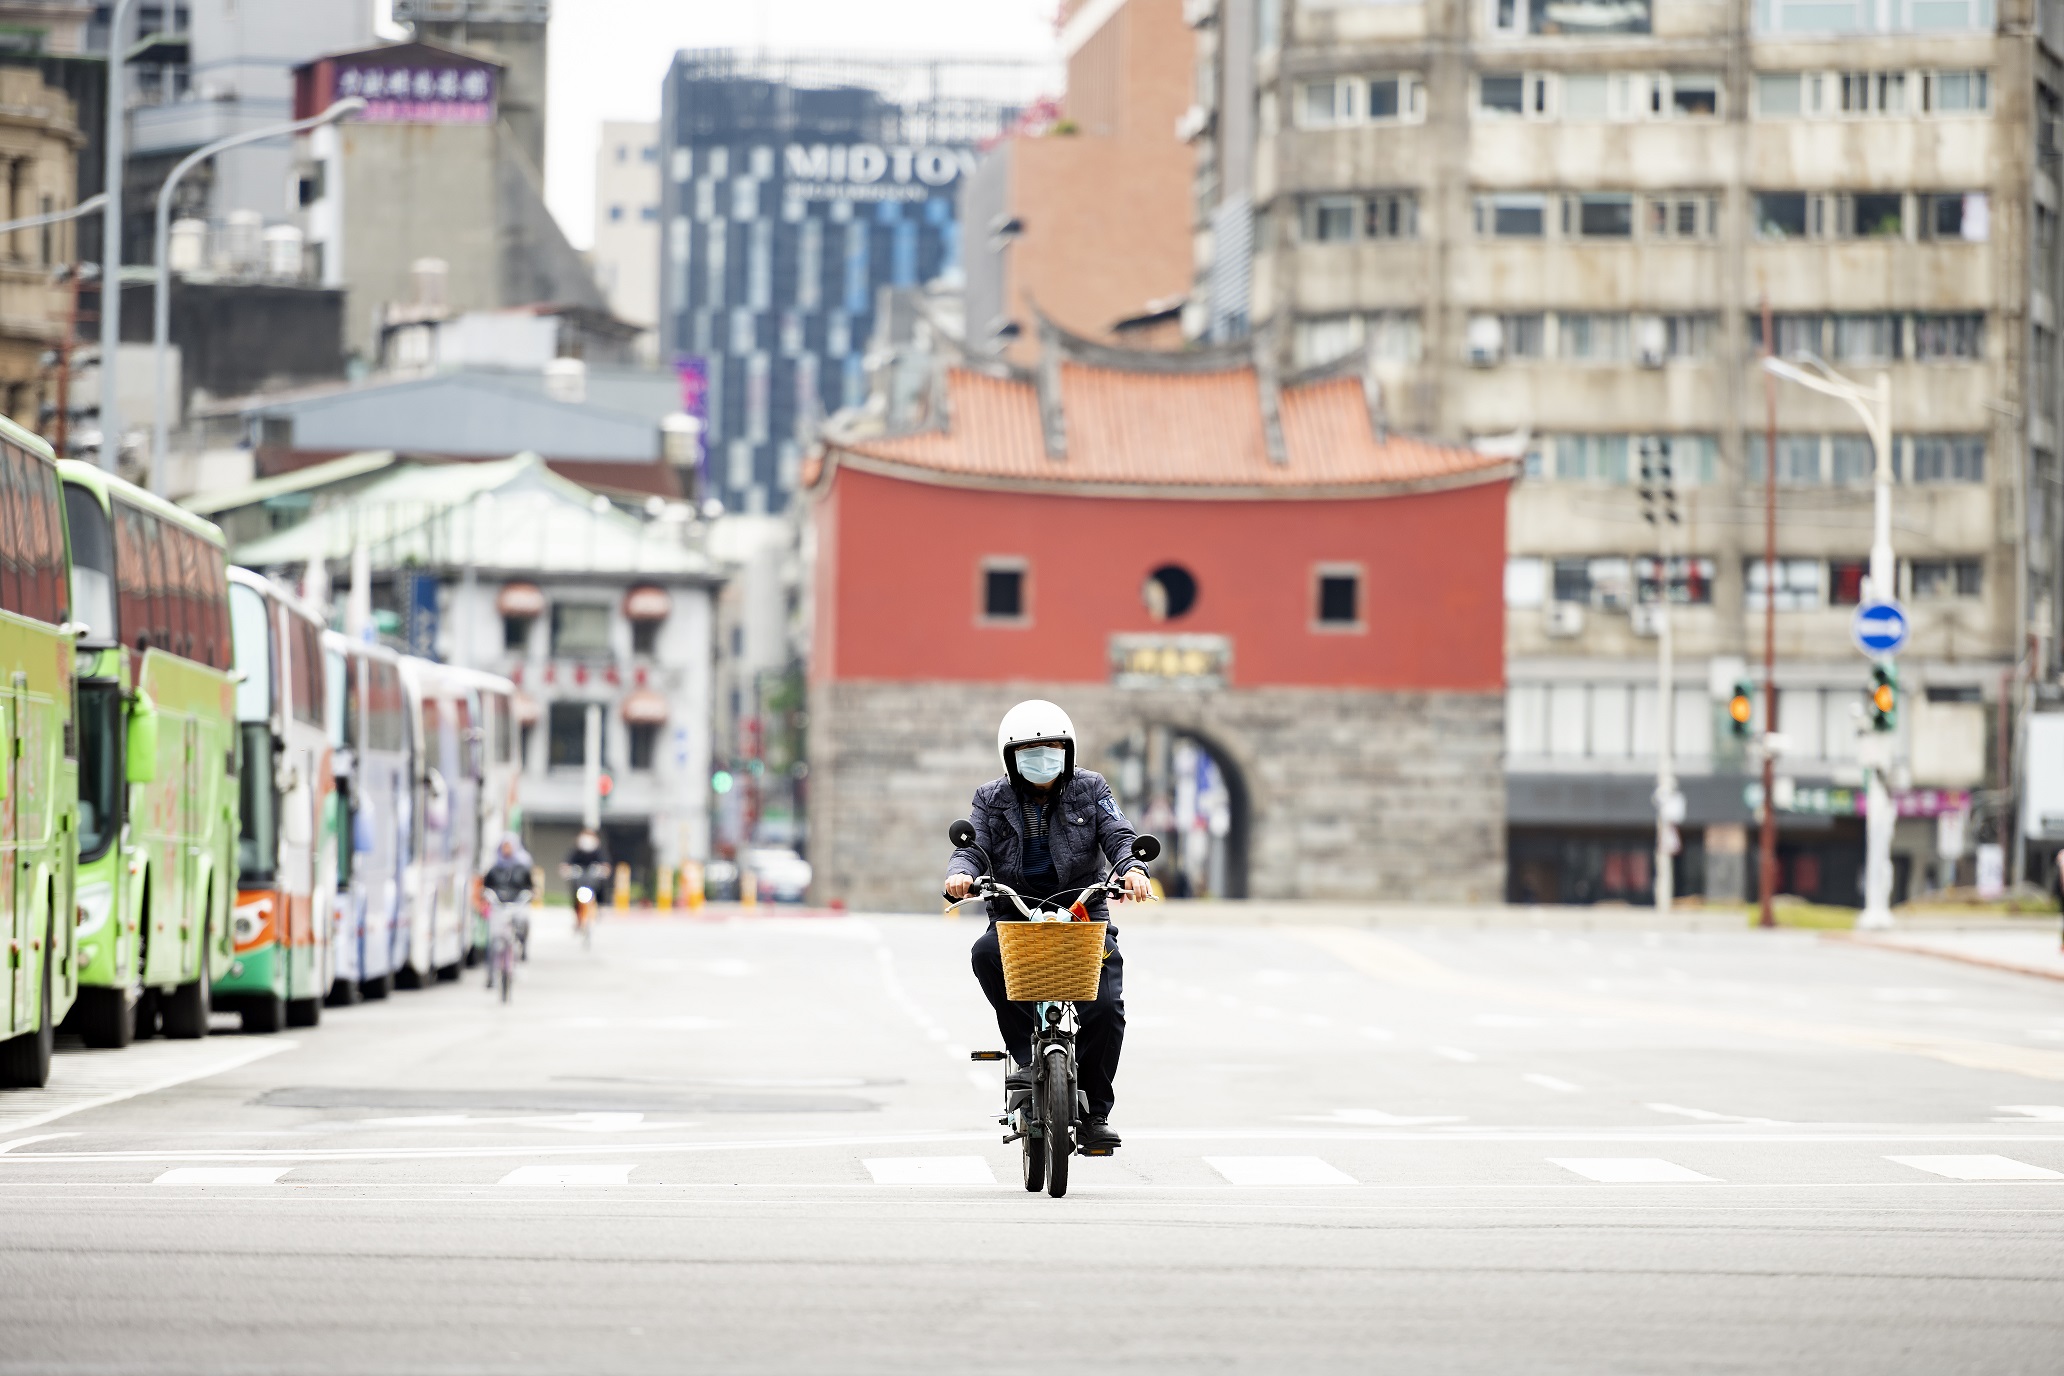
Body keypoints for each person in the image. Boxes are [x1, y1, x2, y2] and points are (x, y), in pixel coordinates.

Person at [945, 700, 1153, 1153]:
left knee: (1106, 1008)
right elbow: (972, 848)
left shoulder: (1092, 788)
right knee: (985, 954)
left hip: (1083, 912)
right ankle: (1025, 1056)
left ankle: (1095, 1114)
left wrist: (1134, 869)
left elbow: (1119, 835)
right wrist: (960, 874)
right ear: (1010, 757)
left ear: (1068, 751)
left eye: (1053, 748)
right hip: (1015, 912)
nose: (1043, 757)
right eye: (1030, 750)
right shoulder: (990, 798)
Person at [561, 828, 611, 909]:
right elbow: (565, 865)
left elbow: (606, 866)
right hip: (579, 881)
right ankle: (577, 908)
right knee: (576, 893)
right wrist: (568, 870)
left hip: (594, 882)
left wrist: (602, 870)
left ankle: (599, 905)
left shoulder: (599, 852)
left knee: (599, 891)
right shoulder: (576, 852)